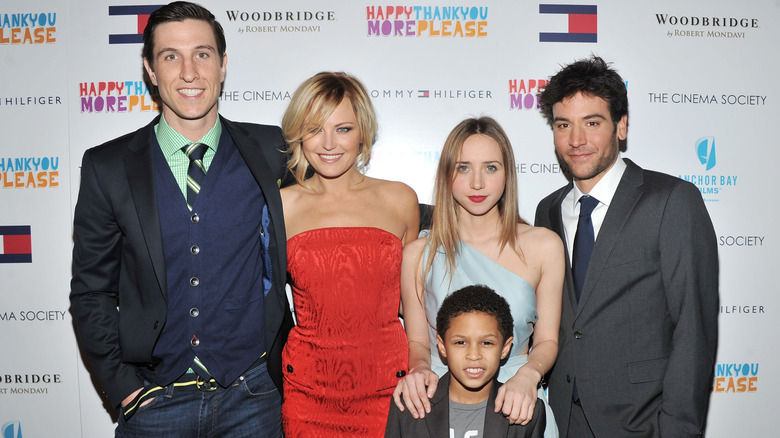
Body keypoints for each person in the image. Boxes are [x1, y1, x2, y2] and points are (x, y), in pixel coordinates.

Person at [69, 2, 293, 436]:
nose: (189, 72)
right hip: (154, 404)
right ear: (151, 71)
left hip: (253, 399)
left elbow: (341, 199)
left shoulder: (272, 150)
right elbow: (91, 289)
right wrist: (123, 388)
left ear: (223, 65)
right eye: (171, 56)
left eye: (202, 54)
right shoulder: (108, 166)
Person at [534, 56, 719, 437]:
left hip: (643, 422)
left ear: (621, 126)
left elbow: (694, 326)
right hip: (561, 421)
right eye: (563, 125)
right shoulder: (547, 210)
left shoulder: (671, 200)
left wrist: (678, 429)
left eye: (592, 122)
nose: (576, 140)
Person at [394, 117, 564, 437]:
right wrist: (418, 369)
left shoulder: (544, 246)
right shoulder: (418, 253)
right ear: (446, 174)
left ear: (507, 174)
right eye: (463, 168)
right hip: (440, 404)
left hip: (517, 401)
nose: (477, 183)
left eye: (490, 168)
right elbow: (417, 341)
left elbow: (547, 341)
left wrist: (528, 377)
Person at [279, 71, 419, 436]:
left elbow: (415, 300)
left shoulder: (400, 199)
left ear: (363, 134)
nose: (328, 143)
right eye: (314, 129)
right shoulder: (281, 206)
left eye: (342, 129)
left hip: (389, 388)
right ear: (298, 134)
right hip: (308, 391)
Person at [386, 284, 546, 438]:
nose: (474, 355)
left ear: (505, 348)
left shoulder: (526, 409)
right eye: (460, 342)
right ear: (442, 346)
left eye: (487, 343)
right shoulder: (410, 403)